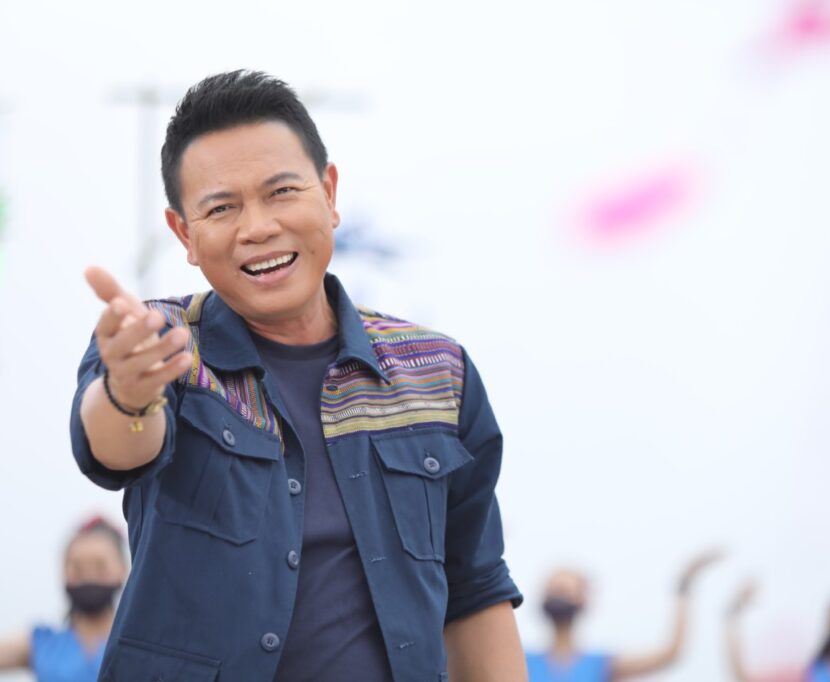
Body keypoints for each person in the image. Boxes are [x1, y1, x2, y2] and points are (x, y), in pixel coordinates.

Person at [69, 70, 524, 682]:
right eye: (221, 207)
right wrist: (129, 396)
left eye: (281, 191)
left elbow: (475, 588)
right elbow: (116, 448)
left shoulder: (437, 372)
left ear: (329, 194)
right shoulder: (160, 341)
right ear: (185, 234)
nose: (257, 227)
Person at [526, 550, 722, 681]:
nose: (558, 597)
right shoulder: (523, 661)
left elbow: (670, 653)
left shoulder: (601, 665)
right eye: (553, 591)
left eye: (564, 591)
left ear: (583, 600)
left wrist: (684, 586)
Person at [0, 516, 129, 682]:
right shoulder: (43, 644)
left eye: (100, 567)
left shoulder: (137, 646)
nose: (89, 577)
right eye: (77, 568)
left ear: (122, 569)